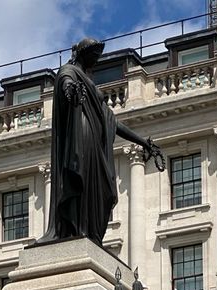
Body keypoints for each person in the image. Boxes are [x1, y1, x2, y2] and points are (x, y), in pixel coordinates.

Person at [41, 37, 165, 246]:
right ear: (82, 53)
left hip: (94, 142)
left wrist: (143, 142)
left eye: (98, 57)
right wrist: (71, 93)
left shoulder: (89, 83)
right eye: (93, 56)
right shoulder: (69, 71)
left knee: (99, 186)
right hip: (81, 134)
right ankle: (76, 227)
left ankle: (88, 230)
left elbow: (113, 123)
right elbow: (66, 85)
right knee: (80, 176)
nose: (96, 60)